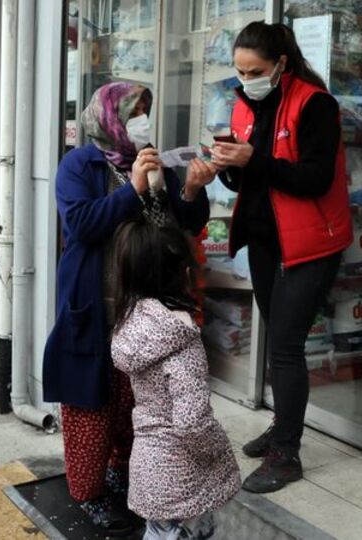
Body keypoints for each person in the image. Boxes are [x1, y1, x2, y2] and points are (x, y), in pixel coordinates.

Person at [42, 81, 216, 536]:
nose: (142, 121)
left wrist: (194, 191)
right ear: (109, 118)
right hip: (95, 302)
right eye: (134, 112)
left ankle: (124, 470)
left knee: (135, 398)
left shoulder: (153, 159)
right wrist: (133, 189)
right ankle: (88, 492)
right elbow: (80, 224)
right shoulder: (79, 164)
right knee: (90, 404)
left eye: (145, 111)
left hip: (146, 307)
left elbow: (185, 223)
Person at [210, 21, 353, 494]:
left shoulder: (316, 103)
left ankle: (287, 453)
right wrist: (226, 166)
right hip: (268, 240)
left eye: (255, 70)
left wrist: (254, 161)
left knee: (287, 345)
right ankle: (281, 425)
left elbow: (314, 179)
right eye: (239, 70)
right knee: (277, 338)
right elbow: (251, 179)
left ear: (281, 64)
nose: (245, 78)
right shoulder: (244, 104)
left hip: (311, 242)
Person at [110, 219, 240, 540]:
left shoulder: (134, 324)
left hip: (147, 466)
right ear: (184, 276)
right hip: (182, 477)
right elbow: (192, 421)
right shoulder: (181, 340)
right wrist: (218, 449)